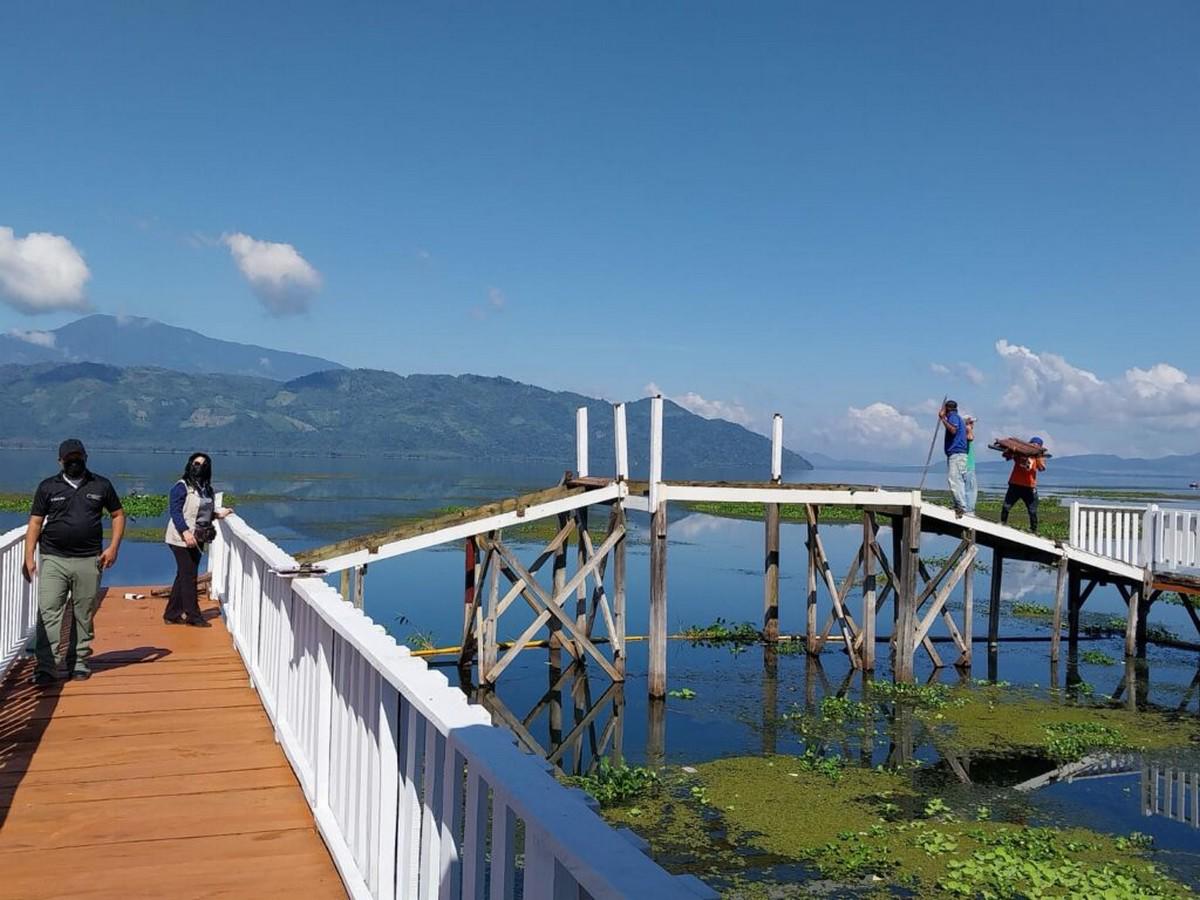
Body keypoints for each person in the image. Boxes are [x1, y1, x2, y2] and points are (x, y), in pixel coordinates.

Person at [23, 439, 125, 685]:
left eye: (78, 458)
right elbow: (35, 522)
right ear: (60, 461)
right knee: (48, 610)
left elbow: (118, 515)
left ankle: (79, 661)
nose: (74, 462)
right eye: (69, 459)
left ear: (86, 458)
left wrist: (113, 547)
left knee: (83, 613)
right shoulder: (48, 487)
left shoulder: (101, 485)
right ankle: (46, 667)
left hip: (89, 559)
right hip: (53, 558)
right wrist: (29, 556)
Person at [163, 452, 231, 626]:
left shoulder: (207, 489)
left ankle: (171, 614)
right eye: (196, 463)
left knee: (184, 575)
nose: (199, 467)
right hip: (180, 538)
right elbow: (176, 512)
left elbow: (203, 512)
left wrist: (218, 514)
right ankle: (193, 615)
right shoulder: (181, 487)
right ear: (190, 465)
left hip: (198, 537)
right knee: (189, 576)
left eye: (203, 465)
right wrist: (185, 532)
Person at [1001, 436, 1047, 533]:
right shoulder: (1019, 452)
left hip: (1029, 487)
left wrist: (1038, 457)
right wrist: (1013, 450)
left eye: (1037, 445)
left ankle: (1033, 530)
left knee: (1032, 511)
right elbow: (1005, 456)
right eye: (1033, 444)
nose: (1034, 446)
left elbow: (1042, 468)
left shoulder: (1038, 456)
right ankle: (1002, 524)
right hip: (1015, 484)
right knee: (1006, 507)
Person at [938, 400, 969, 515]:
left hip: (957, 454)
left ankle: (961, 506)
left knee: (954, 480)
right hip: (957, 454)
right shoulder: (957, 418)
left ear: (947, 409)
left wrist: (943, 418)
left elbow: (953, 430)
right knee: (958, 480)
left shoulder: (953, 417)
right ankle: (960, 505)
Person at [963, 415, 978, 516]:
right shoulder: (966, 432)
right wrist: (968, 429)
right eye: (971, 423)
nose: (973, 425)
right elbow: (970, 438)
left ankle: (965, 509)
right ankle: (969, 511)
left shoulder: (960, 433)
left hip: (965, 466)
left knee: (964, 489)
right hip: (968, 466)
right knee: (971, 489)